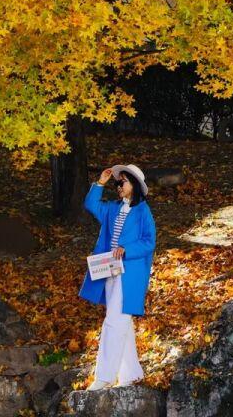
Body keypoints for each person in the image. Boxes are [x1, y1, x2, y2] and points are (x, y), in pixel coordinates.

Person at [79, 162, 156, 389]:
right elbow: (91, 204)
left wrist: (127, 249)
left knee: (114, 321)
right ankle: (131, 374)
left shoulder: (143, 211)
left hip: (130, 274)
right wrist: (100, 182)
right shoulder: (113, 208)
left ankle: (104, 377)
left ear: (134, 185)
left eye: (122, 182)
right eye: (117, 183)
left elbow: (149, 242)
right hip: (110, 270)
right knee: (121, 321)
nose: (118, 186)